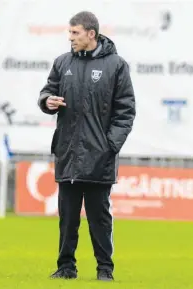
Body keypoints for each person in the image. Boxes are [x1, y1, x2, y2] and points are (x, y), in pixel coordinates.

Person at [38, 11, 136, 281]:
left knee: (99, 219)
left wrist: (109, 146)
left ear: (91, 34)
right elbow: (47, 91)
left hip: (99, 157)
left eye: (75, 33)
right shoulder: (62, 63)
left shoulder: (117, 65)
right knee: (67, 219)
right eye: (69, 33)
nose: (70, 38)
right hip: (68, 154)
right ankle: (65, 267)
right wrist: (47, 101)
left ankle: (105, 269)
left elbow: (125, 112)